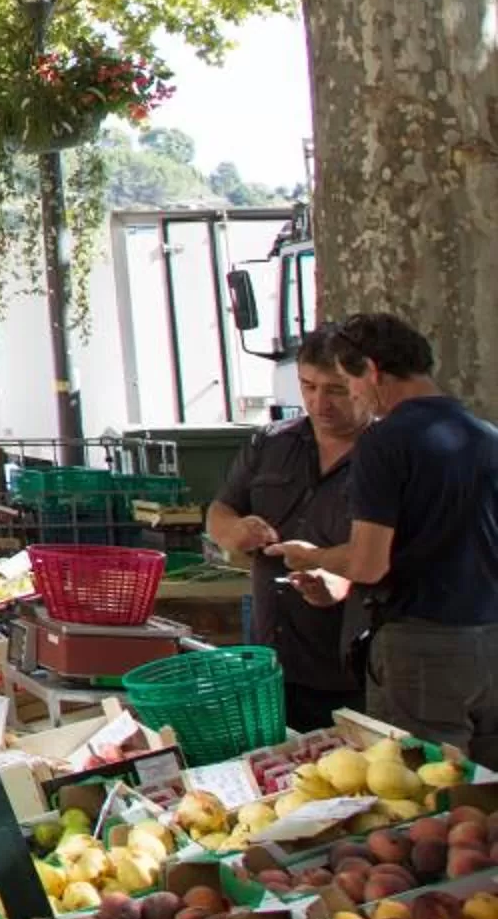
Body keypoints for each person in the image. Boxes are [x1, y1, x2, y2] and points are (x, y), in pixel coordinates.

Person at [273, 313, 498, 757]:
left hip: (423, 649)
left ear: (373, 371)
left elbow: (368, 563)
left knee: (424, 792)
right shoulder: (485, 435)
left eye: (347, 381)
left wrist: (315, 557)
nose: (352, 395)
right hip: (490, 637)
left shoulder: (385, 441)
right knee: (485, 800)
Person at [207, 330, 368, 729]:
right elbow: (220, 510)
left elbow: (393, 550)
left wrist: (335, 577)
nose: (318, 403)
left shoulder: (388, 453)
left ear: (366, 384)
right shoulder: (272, 442)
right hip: (273, 655)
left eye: (336, 390)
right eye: (308, 387)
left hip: (353, 666)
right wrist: (234, 531)